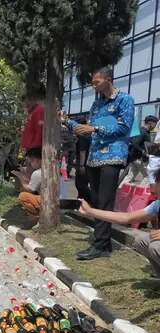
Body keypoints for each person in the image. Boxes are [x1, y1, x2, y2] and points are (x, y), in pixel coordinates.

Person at [63, 67, 134, 260]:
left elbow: (124, 128)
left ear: (109, 80)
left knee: (105, 201)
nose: (93, 86)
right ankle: (103, 241)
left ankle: (101, 245)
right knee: (96, 200)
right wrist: (67, 122)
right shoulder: (95, 105)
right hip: (94, 159)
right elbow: (85, 129)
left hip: (113, 156)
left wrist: (95, 128)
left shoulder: (125, 100)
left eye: (96, 82)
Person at [78, 170, 160, 277]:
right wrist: (90, 211)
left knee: (156, 247)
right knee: (142, 241)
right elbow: (126, 218)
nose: (152, 188)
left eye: (156, 182)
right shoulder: (157, 204)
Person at [12, 148, 42, 218]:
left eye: (31, 161)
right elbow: (33, 185)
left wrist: (21, 177)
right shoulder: (47, 170)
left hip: (45, 201)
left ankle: (37, 215)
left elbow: (29, 189)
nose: (30, 164)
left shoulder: (37, 173)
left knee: (23, 196)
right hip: (59, 201)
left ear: (38, 160)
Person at [73, 115, 92, 201]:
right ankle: (82, 199)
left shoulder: (82, 136)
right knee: (83, 184)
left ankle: (88, 199)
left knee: (80, 184)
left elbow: (82, 152)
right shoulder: (89, 135)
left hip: (83, 163)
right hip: (89, 162)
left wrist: (81, 165)